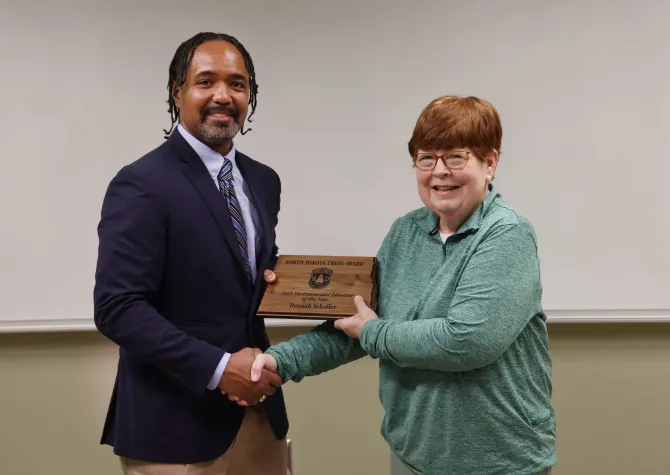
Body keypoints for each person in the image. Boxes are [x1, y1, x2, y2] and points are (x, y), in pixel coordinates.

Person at [247, 96, 556, 474]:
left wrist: (373, 332)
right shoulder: (404, 233)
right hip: (412, 452)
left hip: (497, 461)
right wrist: (281, 361)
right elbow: (355, 325)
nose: (439, 171)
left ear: (490, 162)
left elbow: (466, 342)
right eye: (426, 158)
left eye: (456, 157)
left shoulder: (507, 233)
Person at [93, 32, 289, 474]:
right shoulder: (141, 183)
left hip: (259, 418)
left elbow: (247, 276)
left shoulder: (263, 181)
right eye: (206, 81)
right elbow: (117, 308)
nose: (223, 95)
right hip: (173, 429)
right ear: (176, 92)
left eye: (237, 84)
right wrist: (220, 368)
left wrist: (302, 285)